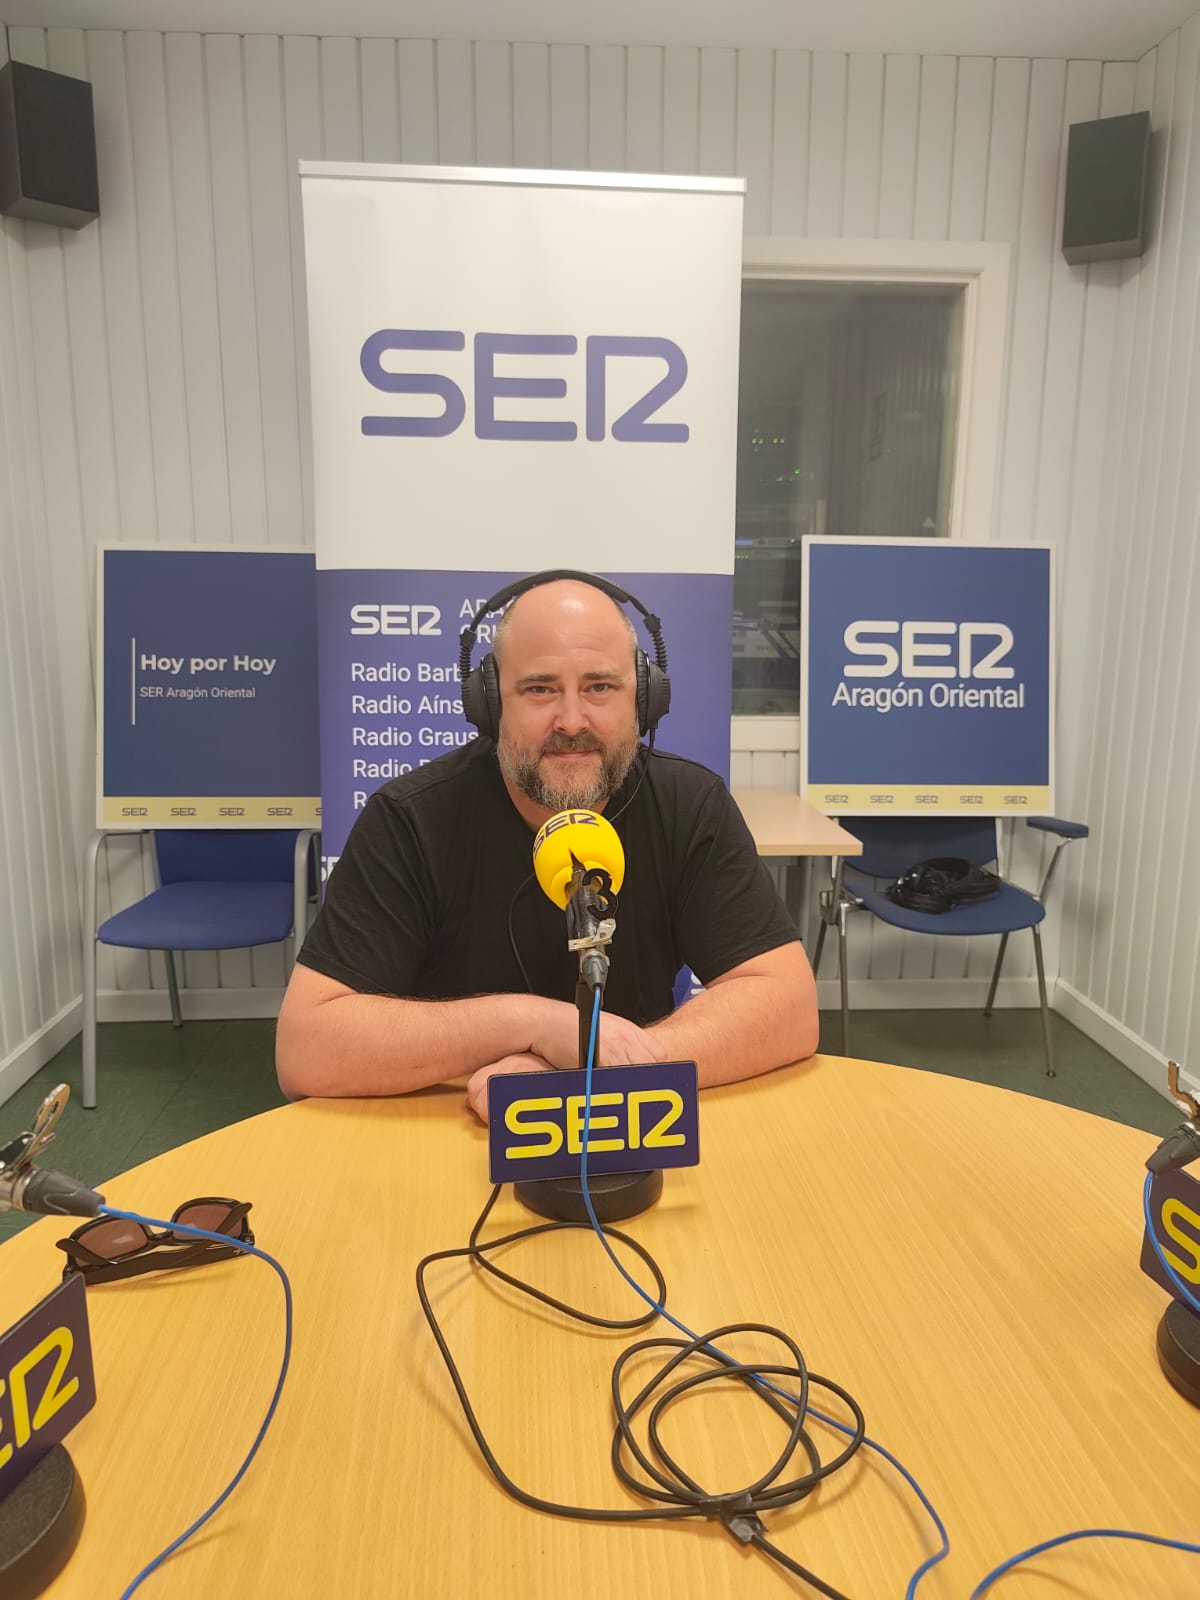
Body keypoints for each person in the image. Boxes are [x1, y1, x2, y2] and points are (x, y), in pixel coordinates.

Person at [276, 575, 819, 1119]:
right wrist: (531, 1024)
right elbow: (307, 1050)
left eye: (600, 686)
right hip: (451, 1127)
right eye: (539, 689)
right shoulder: (411, 818)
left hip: (634, 1120)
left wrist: (595, 1065)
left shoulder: (689, 803)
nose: (572, 721)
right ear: (489, 702)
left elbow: (788, 1004)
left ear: (645, 699)